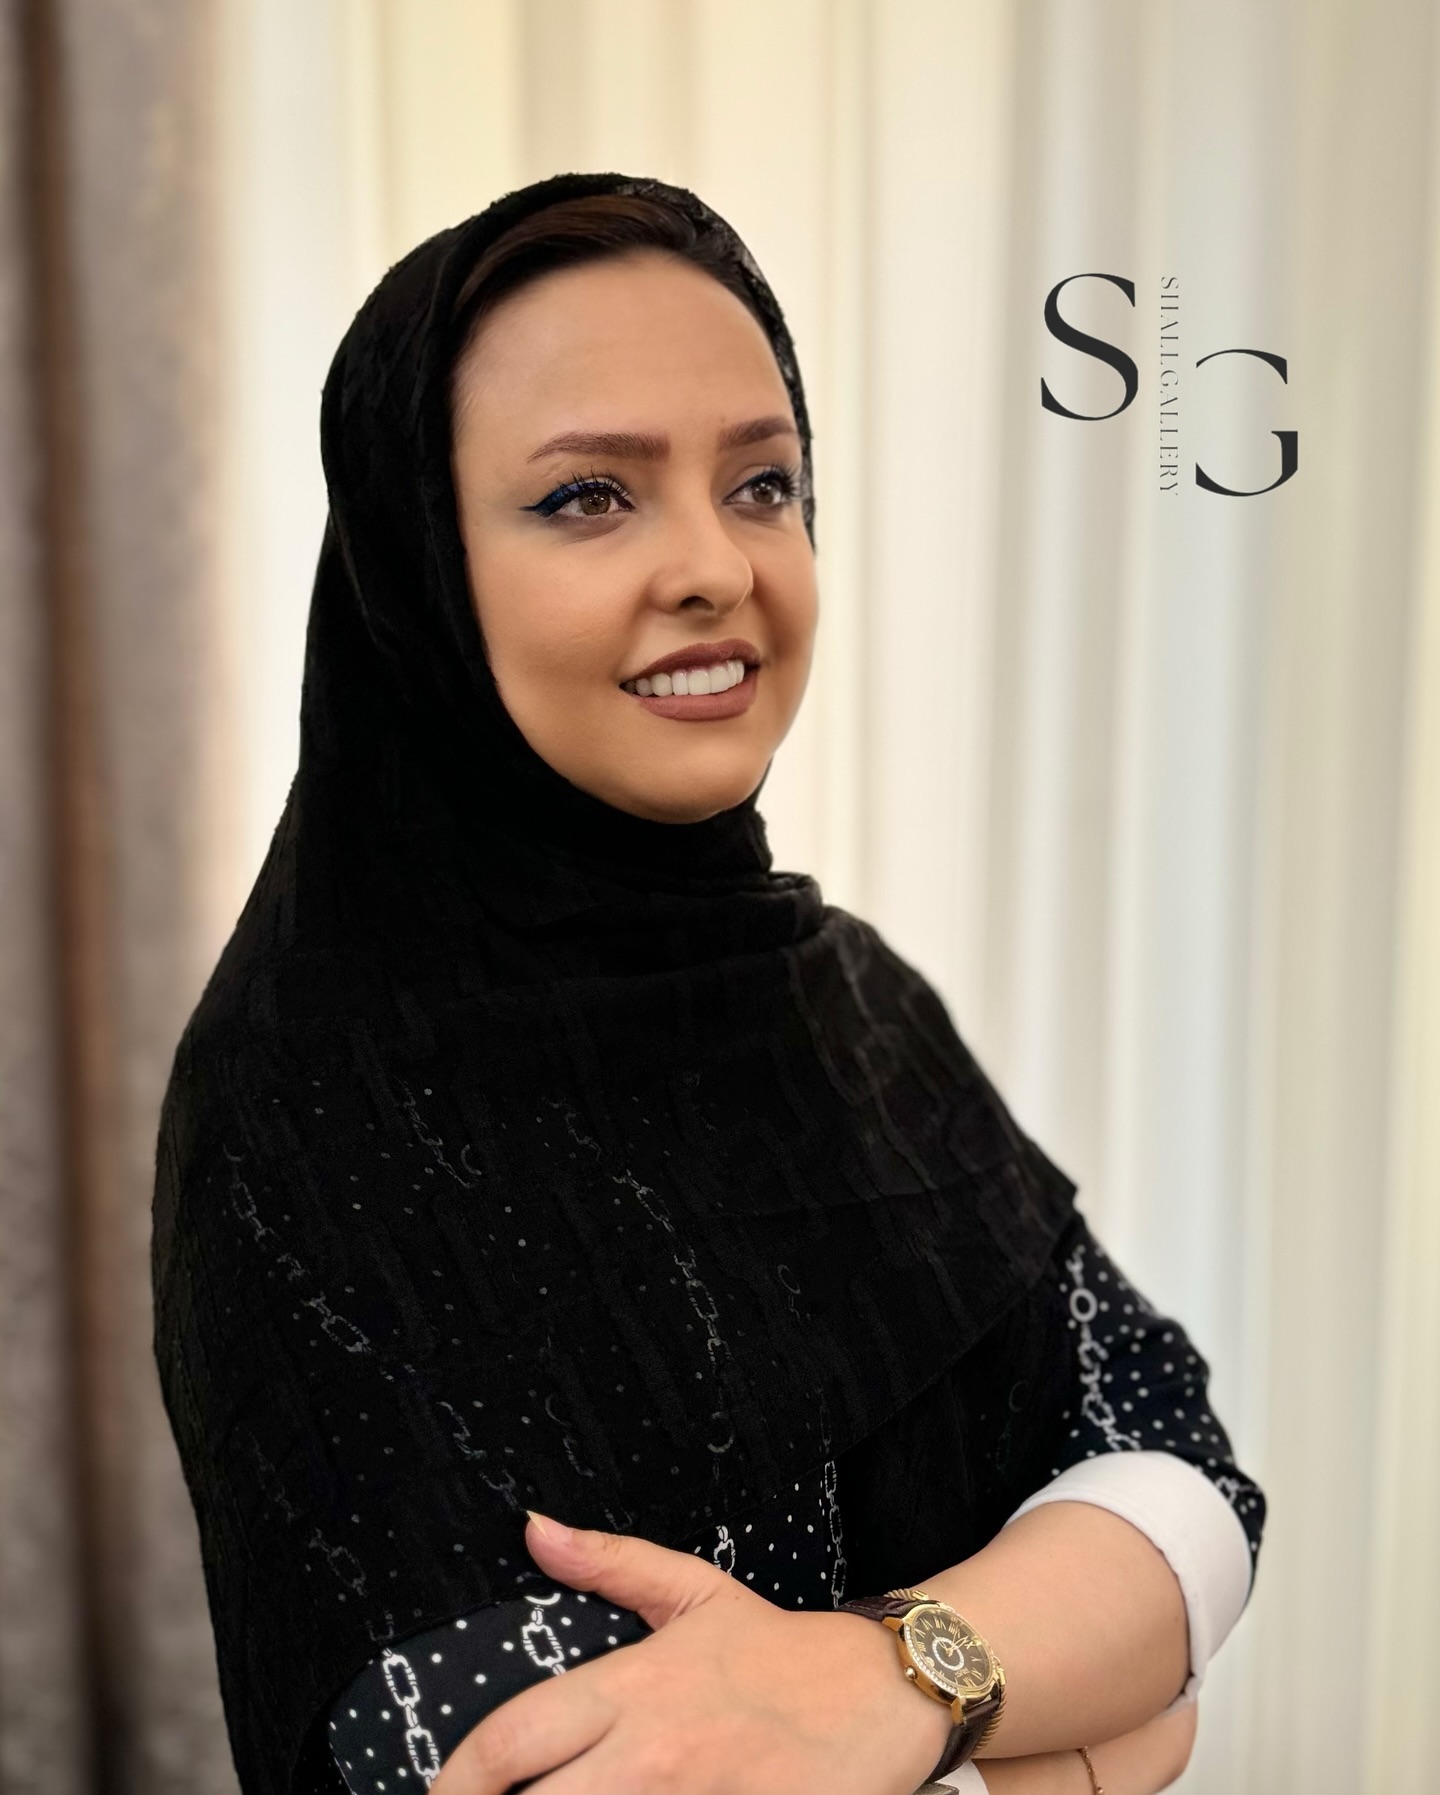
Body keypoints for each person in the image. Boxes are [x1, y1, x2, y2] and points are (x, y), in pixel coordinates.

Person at [152, 175, 1264, 1795]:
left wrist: (894, 1681)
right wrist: (1082, 1741)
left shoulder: (857, 1009)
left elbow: (1180, 1463)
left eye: (763, 483)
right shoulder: (306, 1110)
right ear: (419, 570)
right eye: (588, 496)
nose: (713, 566)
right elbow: (498, 1760)